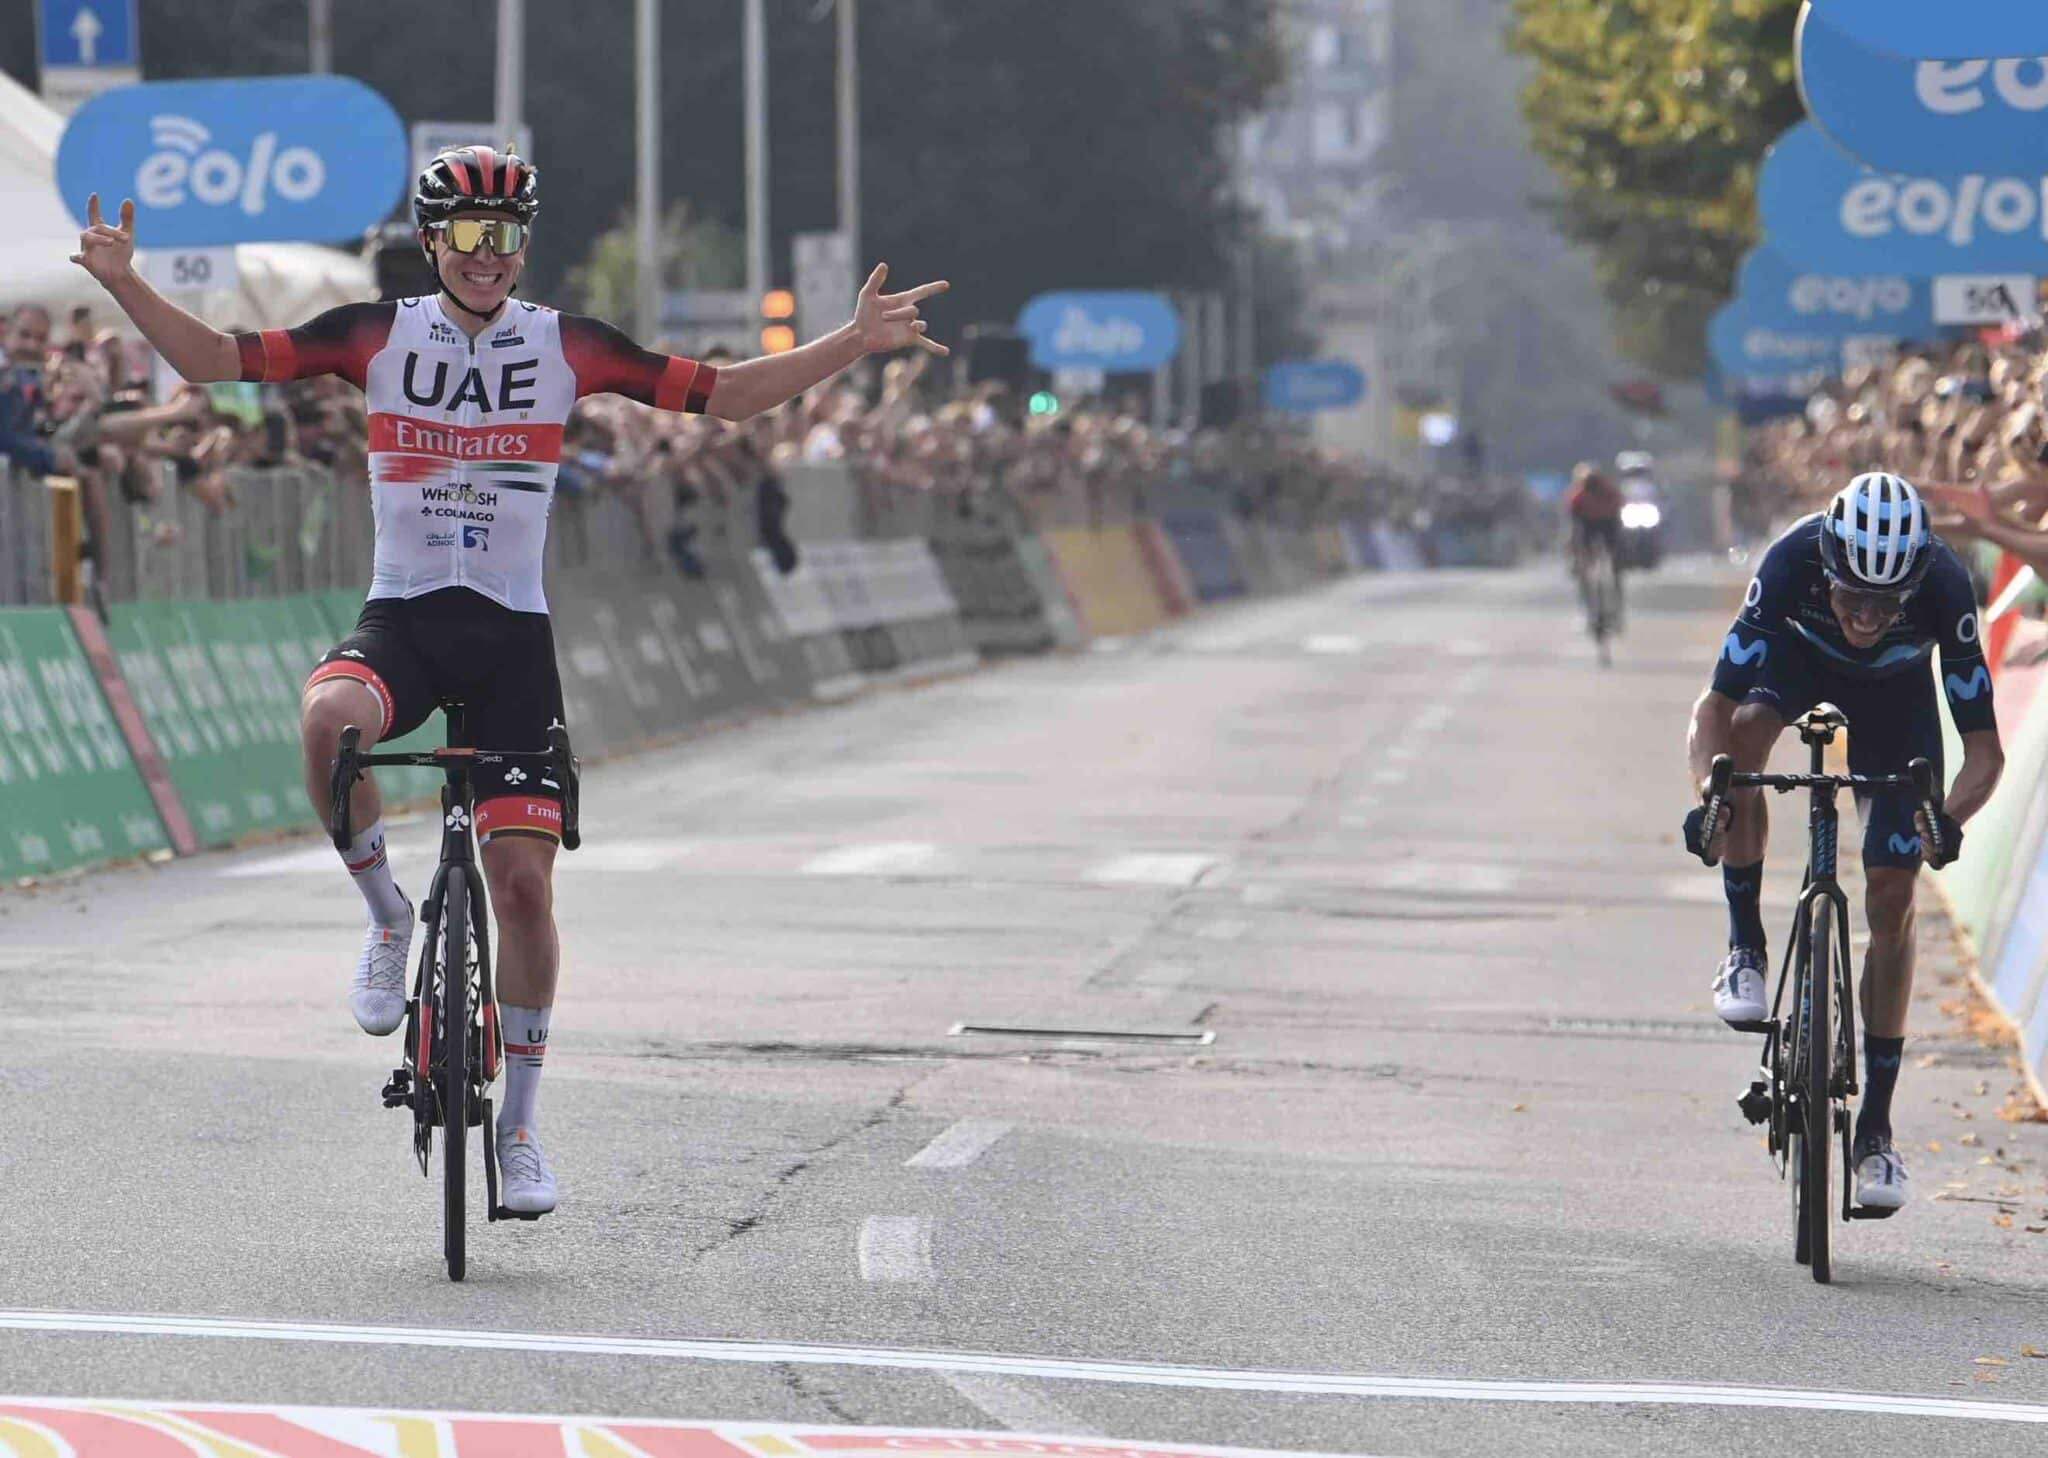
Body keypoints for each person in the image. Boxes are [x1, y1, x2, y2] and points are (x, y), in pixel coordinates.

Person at [71, 146, 949, 1217]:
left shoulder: (565, 343)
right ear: (433, 240)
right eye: (469, 235)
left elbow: (723, 398)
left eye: (508, 235)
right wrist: (123, 281)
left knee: (524, 887)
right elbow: (214, 359)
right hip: (403, 619)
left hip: (510, 639)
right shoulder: (372, 333)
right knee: (326, 719)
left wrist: (850, 344)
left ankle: (522, 1131)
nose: (489, 256)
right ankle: (389, 917)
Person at [1683, 472, 2004, 1212]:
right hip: (1794, 666)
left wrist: (1945, 820)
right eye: (1852, 596)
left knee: (1892, 900)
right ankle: (1744, 949)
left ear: (1913, 586)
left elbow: (1984, 754)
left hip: (1897, 698)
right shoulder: (1791, 559)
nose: (1865, 615)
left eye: (1885, 604)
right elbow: (1712, 706)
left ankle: (1876, 1134)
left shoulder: (1946, 586)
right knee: (1742, 748)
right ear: (1827, 566)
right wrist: (1710, 794)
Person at [1563, 460, 1622, 577]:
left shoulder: (1606, 489)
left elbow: (1618, 501)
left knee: (1614, 543)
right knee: (1577, 537)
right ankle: (1580, 562)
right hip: (1589, 521)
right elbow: (1572, 506)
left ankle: (1616, 563)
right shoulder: (1581, 492)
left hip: (1605, 520)